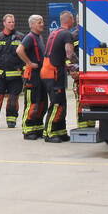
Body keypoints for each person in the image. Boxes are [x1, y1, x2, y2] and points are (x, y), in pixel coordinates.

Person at [40, 11, 77, 142]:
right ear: (70, 20)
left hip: (49, 71)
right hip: (53, 73)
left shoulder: (54, 32)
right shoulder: (67, 34)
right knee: (56, 104)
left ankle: (60, 131)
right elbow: (69, 53)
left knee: (61, 103)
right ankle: (49, 133)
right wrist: (77, 64)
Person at [16, 14, 48, 140]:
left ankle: (37, 127)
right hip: (32, 76)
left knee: (42, 103)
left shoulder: (39, 37)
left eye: (42, 22)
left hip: (40, 75)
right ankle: (28, 129)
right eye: (40, 22)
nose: (42, 24)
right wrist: (29, 63)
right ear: (33, 24)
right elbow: (19, 50)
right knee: (32, 103)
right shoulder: (29, 37)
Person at [68, 13, 95, 129]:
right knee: (81, 100)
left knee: (93, 99)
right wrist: (73, 70)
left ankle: (91, 124)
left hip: (92, 73)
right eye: (79, 21)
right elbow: (68, 55)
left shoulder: (92, 34)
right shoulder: (73, 36)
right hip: (79, 73)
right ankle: (82, 126)